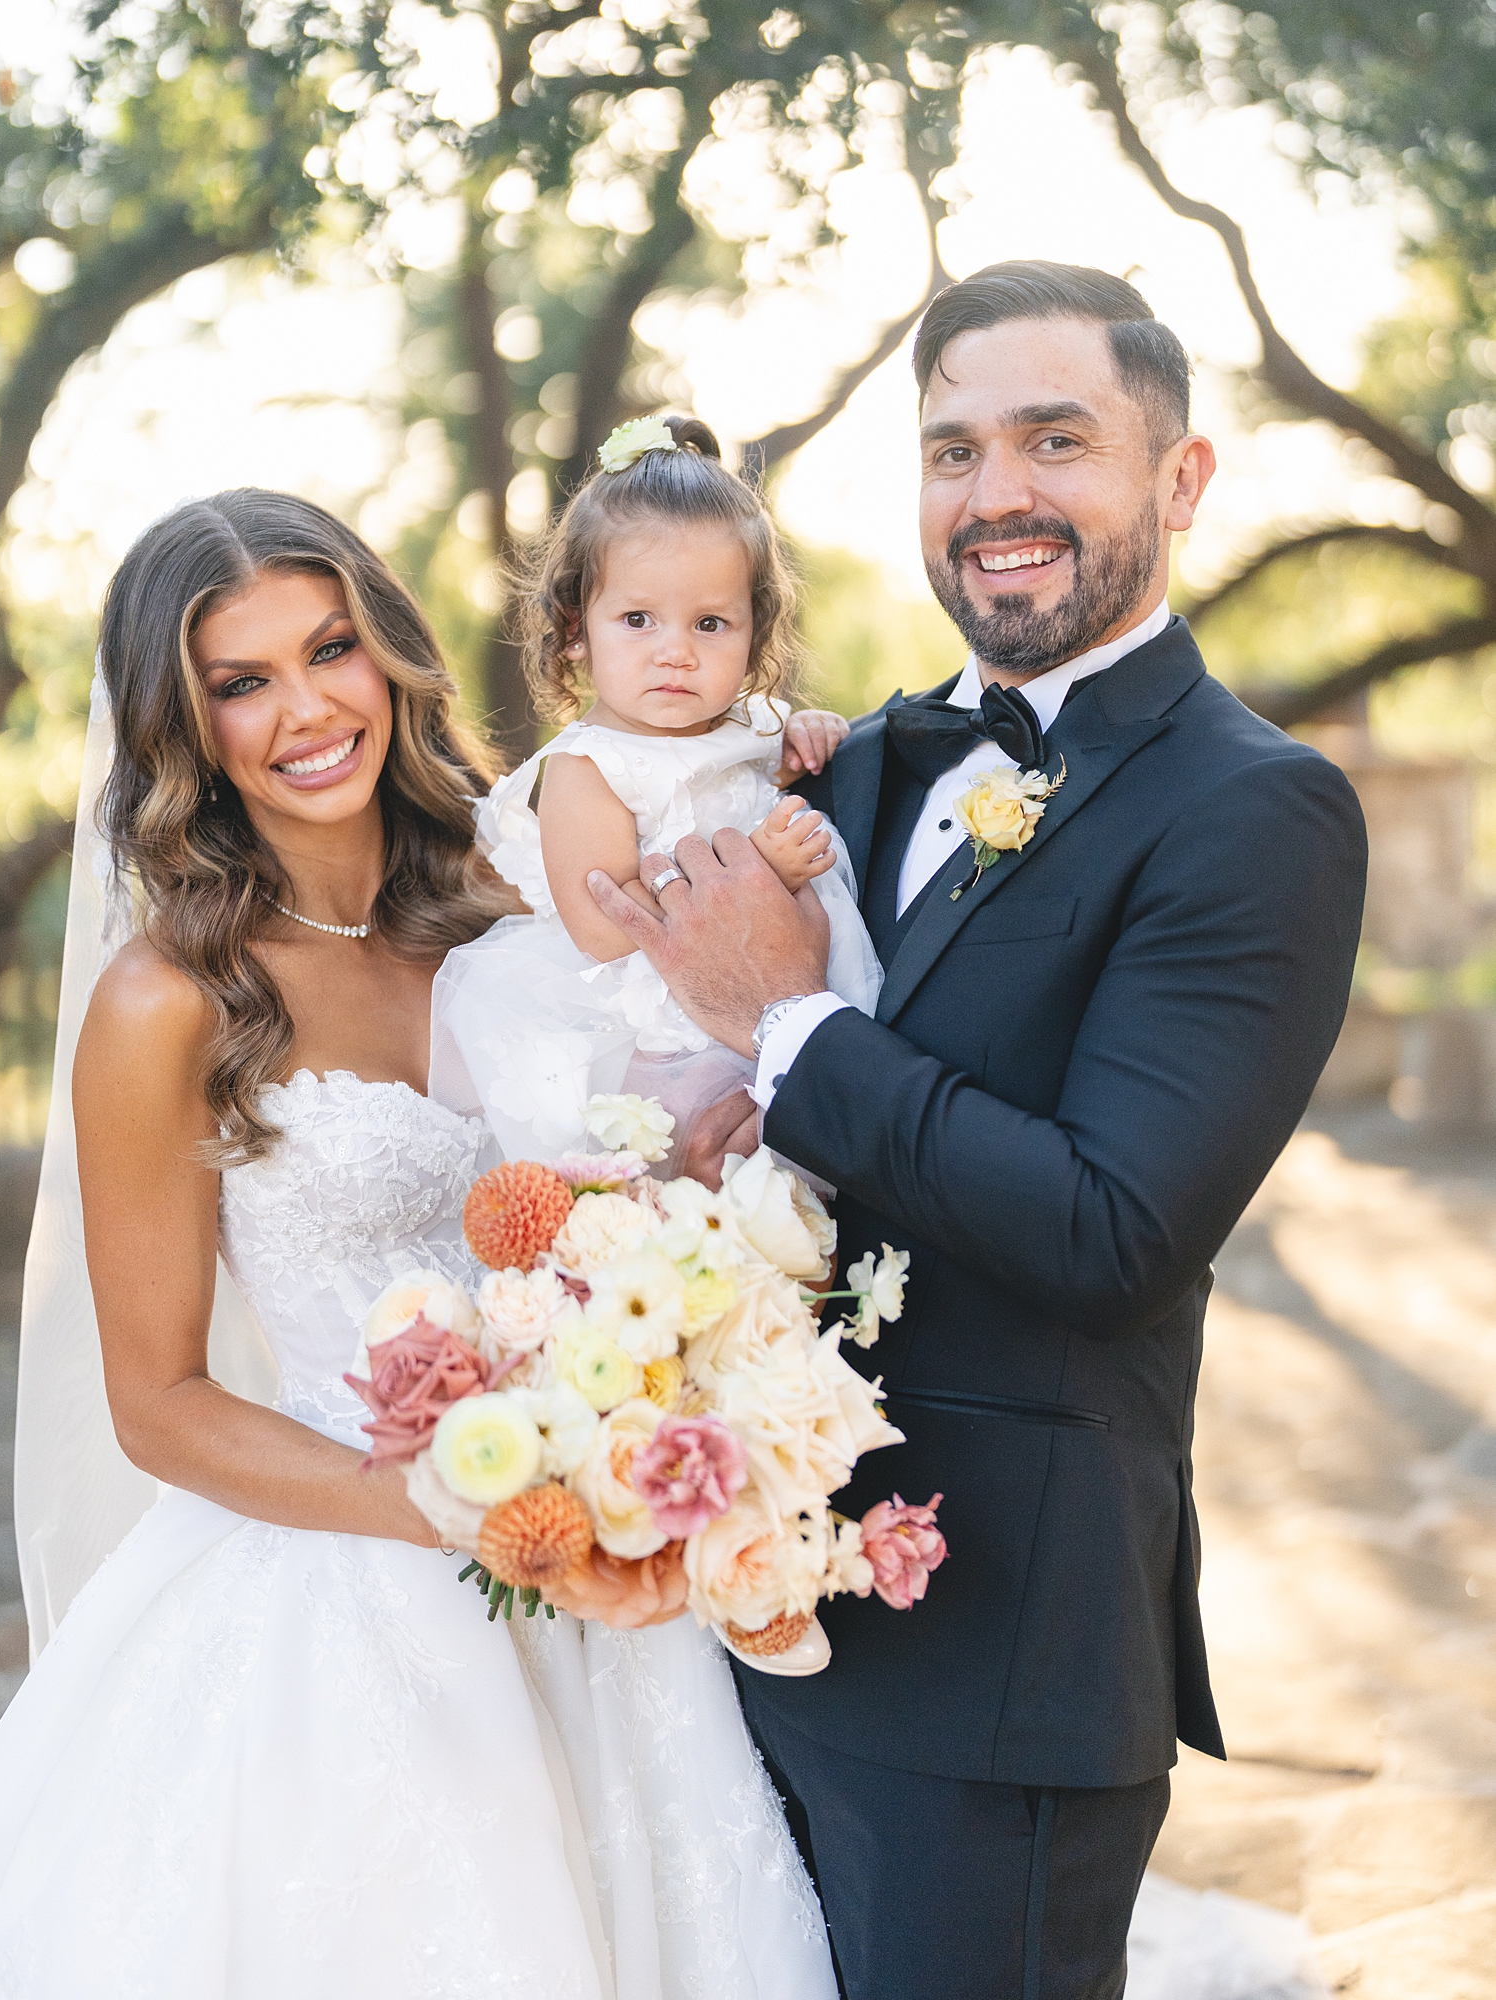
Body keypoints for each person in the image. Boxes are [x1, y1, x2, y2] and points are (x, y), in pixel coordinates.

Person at [583, 261, 1369, 1998]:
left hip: (1001, 1670)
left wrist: (788, 1023)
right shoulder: (851, 765)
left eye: (1055, 441)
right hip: (729, 1620)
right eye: (953, 452)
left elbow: (1111, 1228)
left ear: (1182, 478)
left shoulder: (1257, 810)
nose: (995, 493)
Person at [0, 488, 836, 2000]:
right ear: (183, 727)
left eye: (331, 650)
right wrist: (467, 1514)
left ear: (389, 654)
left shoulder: (523, 891)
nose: (308, 710)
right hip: (351, 1583)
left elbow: (660, 1117)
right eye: (240, 681)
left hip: (611, 1546)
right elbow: (160, 1405)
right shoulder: (165, 1002)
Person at [427, 411, 879, 1170]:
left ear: (754, 634)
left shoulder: (749, 725)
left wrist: (811, 732)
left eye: (711, 624)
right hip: (666, 1041)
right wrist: (760, 867)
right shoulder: (588, 768)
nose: (676, 652)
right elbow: (604, 927)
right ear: (576, 628)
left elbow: (771, 763)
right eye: (638, 619)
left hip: (789, 1001)